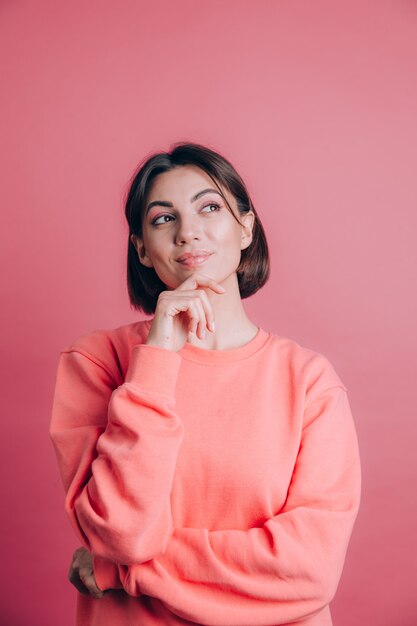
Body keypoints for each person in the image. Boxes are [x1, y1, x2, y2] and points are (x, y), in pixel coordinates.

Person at [49, 141, 361, 626]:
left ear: (246, 228)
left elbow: (308, 571)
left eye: (209, 208)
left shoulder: (310, 382)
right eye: (162, 219)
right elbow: (123, 533)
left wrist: (123, 571)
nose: (188, 232)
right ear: (142, 250)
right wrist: (156, 362)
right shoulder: (98, 363)